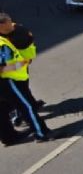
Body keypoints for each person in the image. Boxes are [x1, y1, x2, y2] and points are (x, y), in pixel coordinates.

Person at [0, 13, 50, 144]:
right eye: (9, 23)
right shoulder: (1, 44)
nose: (12, 24)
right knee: (26, 106)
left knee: (2, 109)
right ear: (1, 25)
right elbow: (2, 68)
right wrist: (21, 64)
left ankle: (8, 137)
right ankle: (42, 133)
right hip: (7, 81)